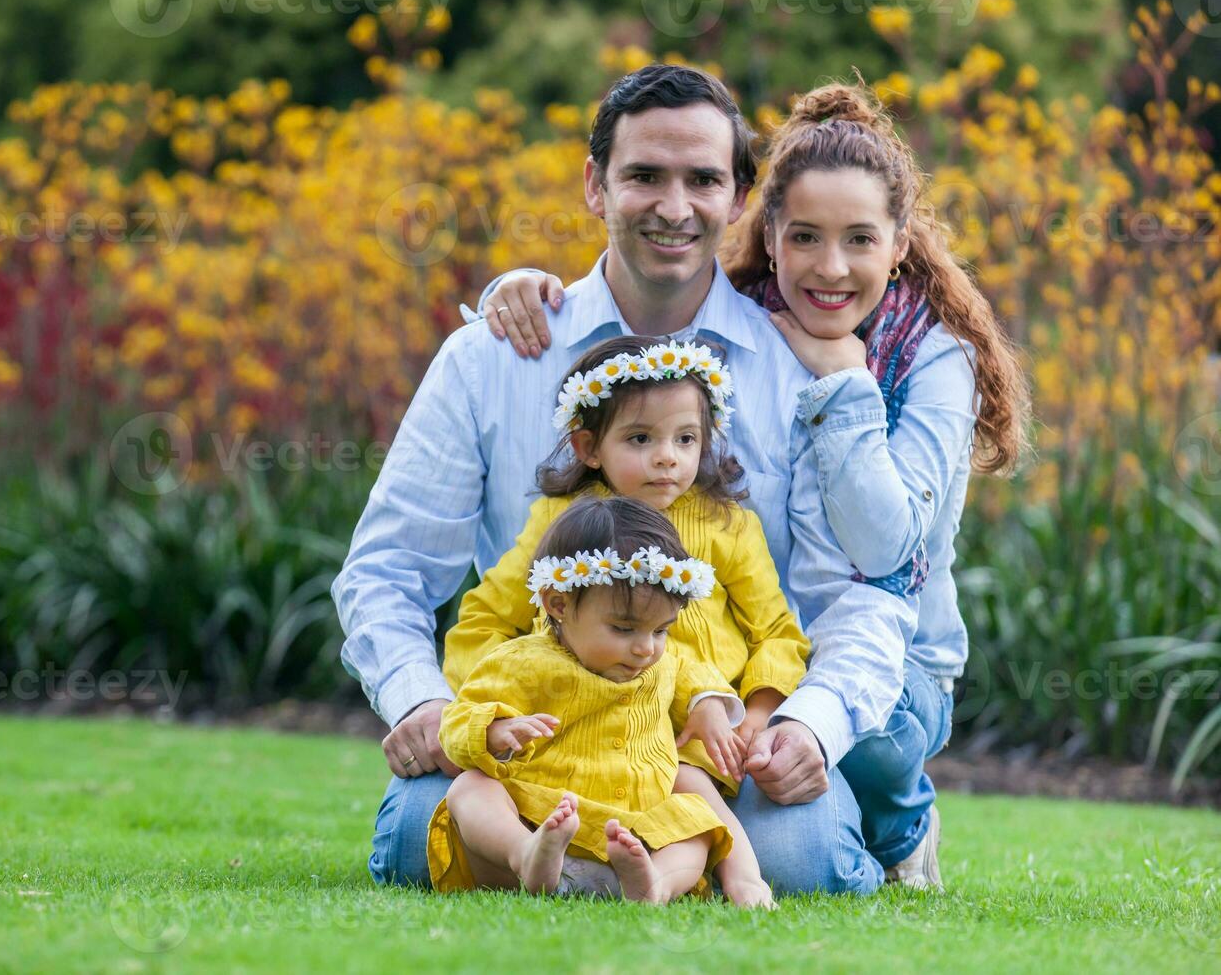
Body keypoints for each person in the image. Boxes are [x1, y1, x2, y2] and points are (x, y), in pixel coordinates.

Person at [333, 63, 914, 898]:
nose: (674, 207)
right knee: (414, 834)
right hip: (541, 733)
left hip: (713, 744)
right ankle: (618, 863)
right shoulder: (492, 356)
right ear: (595, 187)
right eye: (644, 175)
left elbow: (850, 596)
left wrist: (802, 726)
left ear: (740, 197)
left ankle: (635, 861)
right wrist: (423, 704)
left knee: (803, 860)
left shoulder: (796, 371)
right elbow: (386, 571)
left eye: (703, 180)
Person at [474, 81, 1030, 888]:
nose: (829, 267)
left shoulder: (929, 361)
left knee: (858, 748)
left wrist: (846, 384)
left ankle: (899, 819)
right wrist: (516, 288)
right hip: (764, 674)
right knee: (770, 795)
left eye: (860, 240)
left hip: (891, 664)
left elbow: (884, 552)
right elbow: (641, 320)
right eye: (804, 236)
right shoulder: (753, 329)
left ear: (900, 242)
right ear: (767, 236)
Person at [442, 334, 806, 905]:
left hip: (686, 741)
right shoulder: (563, 524)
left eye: (686, 439)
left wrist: (751, 716)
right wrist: (497, 716)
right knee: (451, 805)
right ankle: (530, 852)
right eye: (641, 438)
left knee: (697, 804)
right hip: (564, 741)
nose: (668, 456)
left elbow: (778, 632)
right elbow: (485, 620)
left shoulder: (726, 525)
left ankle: (725, 875)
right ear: (589, 445)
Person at [431, 496, 747, 904]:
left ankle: (655, 883)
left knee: (699, 820)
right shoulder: (522, 661)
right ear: (558, 604)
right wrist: (492, 730)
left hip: (637, 833)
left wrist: (707, 706)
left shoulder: (662, 665)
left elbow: (699, 676)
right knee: (469, 788)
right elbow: (456, 721)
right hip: (541, 819)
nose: (645, 649)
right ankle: (525, 855)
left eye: (661, 631)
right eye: (623, 628)